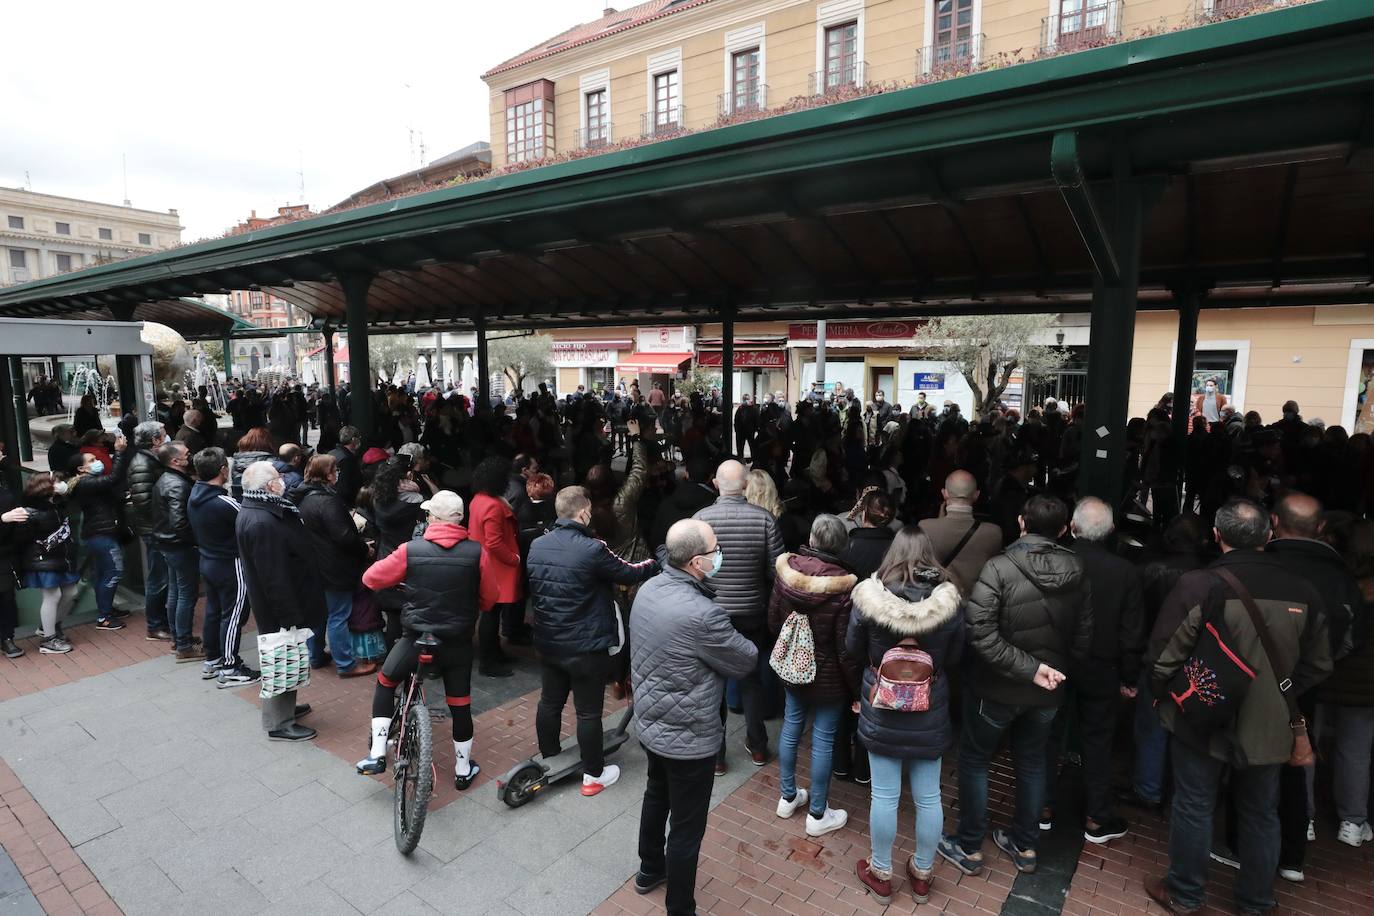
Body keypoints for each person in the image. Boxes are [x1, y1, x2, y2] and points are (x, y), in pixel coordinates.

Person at [1146, 498, 1332, 916]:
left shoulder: (1199, 585)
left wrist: (1174, 693)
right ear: (1269, 536)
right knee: (1261, 812)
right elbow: (1320, 663)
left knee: (1194, 804)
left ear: (1217, 535)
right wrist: (1278, 689)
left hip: (1203, 714)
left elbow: (1162, 657)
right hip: (1271, 723)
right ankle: (1256, 902)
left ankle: (1185, 893)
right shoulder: (1304, 591)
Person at [941, 494, 1091, 877]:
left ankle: (969, 845)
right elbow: (1083, 637)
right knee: (1033, 761)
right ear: (1063, 529)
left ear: (1021, 522)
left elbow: (980, 633)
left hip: (996, 687)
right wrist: (1050, 670)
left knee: (975, 761)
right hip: (1047, 690)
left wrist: (1029, 669)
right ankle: (1024, 845)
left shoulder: (998, 567)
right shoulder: (1078, 569)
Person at [630, 519, 758, 916]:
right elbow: (746, 658)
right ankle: (680, 907)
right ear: (698, 562)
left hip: (651, 723)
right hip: (689, 736)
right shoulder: (704, 615)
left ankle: (649, 868)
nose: (721, 555)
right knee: (687, 827)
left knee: (656, 794)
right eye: (716, 549)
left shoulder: (648, 588)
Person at [848, 527, 964, 906]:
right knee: (929, 797)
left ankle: (881, 872)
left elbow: (852, 647)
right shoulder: (948, 602)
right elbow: (958, 656)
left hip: (881, 705)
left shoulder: (870, 598)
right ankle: (923, 873)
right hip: (930, 706)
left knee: (884, 795)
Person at [526, 486, 659, 795]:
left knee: (550, 701)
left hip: (548, 640)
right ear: (584, 513)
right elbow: (628, 572)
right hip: (585, 645)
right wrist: (655, 562)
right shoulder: (593, 548)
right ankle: (593, 775)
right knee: (588, 712)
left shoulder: (537, 545)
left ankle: (550, 756)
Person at [357, 491, 484, 788]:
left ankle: (377, 753)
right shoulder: (478, 552)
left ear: (433, 519)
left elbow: (371, 579)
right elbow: (489, 596)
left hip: (416, 639)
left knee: (386, 681)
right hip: (456, 642)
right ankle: (463, 769)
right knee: (461, 703)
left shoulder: (410, 550)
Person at [1265, 491, 1360, 878]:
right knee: (1296, 760)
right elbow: (1349, 641)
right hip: (1308, 687)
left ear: (1274, 522)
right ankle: (1292, 852)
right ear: (1321, 529)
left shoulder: (1258, 565)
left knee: (1250, 764)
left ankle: (1247, 847)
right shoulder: (1342, 580)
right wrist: (1305, 679)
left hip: (1256, 680)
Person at [1041, 497, 1143, 842]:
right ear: (1112, 531)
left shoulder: (1055, 560)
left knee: (1048, 734)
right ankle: (1097, 818)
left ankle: (1042, 806)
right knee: (1098, 741)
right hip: (1102, 666)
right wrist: (1130, 677)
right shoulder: (1125, 571)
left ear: (1071, 526)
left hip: (1054, 661)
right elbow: (1131, 631)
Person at [768, 514, 858, 837]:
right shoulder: (846, 585)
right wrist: (856, 689)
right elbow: (846, 647)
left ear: (813, 538)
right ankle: (818, 814)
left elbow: (774, 621)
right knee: (823, 738)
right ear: (841, 544)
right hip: (830, 678)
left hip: (793, 669)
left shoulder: (786, 571)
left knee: (791, 726)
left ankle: (787, 796)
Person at [694, 458, 785, 771]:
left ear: (716, 484)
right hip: (751, 613)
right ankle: (758, 746)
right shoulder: (764, 520)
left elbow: (694, 570)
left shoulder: (701, 520)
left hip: (712, 613)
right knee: (750, 679)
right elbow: (777, 572)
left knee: (712, 683)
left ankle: (716, 757)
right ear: (746, 484)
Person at [236, 461, 323, 742]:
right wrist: (289, 614)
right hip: (280, 606)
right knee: (280, 655)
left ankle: (286, 708)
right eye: (278, 477)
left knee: (287, 656)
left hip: (282, 602)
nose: (283, 480)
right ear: (270, 486)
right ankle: (279, 722)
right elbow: (274, 576)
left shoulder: (259, 509)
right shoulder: (262, 521)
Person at [293, 454, 376, 678]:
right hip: (333, 567)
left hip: (315, 565)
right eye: (334, 470)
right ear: (328, 474)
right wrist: (364, 548)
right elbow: (344, 537)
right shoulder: (326, 501)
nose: (337, 474)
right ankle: (346, 664)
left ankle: (316, 655)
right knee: (338, 615)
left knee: (319, 614)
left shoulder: (304, 496)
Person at [1317, 520, 1374, 848]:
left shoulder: (1338, 584)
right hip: (1365, 685)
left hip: (1326, 674)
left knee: (1305, 742)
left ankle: (1304, 816)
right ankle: (1352, 822)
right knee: (1355, 752)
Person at [186, 447, 257, 687]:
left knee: (214, 612)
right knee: (234, 615)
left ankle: (213, 658)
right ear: (223, 470)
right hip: (230, 564)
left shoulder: (195, 495)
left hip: (208, 561)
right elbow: (250, 521)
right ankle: (229, 666)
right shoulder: (225, 503)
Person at [66, 433, 132, 630]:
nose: (97, 462)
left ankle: (107, 609)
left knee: (102, 573)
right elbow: (113, 479)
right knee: (113, 572)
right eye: (92, 461)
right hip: (101, 534)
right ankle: (104, 617)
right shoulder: (85, 483)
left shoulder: (87, 483)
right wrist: (119, 454)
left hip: (99, 532)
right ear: (81, 469)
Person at [469, 456, 525, 675]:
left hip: (487, 564)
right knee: (492, 614)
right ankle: (488, 661)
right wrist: (514, 559)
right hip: (496, 567)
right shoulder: (493, 505)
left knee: (491, 613)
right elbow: (494, 542)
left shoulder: (479, 499)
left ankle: (494, 654)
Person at [17, 473, 80, 654]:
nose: (61, 485)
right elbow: (22, 541)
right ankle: (49, 639)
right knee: (52, 596)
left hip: (61, 557)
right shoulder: (29, 513)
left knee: (71, 592)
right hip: (43, 560)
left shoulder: (58, 505)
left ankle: (50, 627)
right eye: (57, 482)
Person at [152, 441, 202, 662]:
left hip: (169, 545)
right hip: (179, 547)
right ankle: (183, 644)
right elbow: (179, 522)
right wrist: (195, 542)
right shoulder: (176, 484)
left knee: (176, 592)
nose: (189, 455)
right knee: (185, 595)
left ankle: (179, 639)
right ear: (175, 460)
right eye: (186, 454)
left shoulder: (168, 479)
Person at [918, 470, 1003, 597]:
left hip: (940, 607)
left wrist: (939, 521)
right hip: (976, 605)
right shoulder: (994, 532)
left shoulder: (925, 527)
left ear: (944, 494)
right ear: (976, 495)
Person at [127, 420, 171, 640]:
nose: (166, 437)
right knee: (159, 578)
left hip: (158, 528)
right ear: (155, 440)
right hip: (155, 530)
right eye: (163, 435)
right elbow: (144, 502)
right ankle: (155, 625)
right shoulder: (143, 464)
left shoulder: (150, 460)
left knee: (163, 576)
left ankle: (162, 620)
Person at [329, 425, 363, 506]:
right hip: (345, 503)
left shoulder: (332, 453)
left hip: (332, 497)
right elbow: (345, 488)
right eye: (359, 437)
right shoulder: (348, 459)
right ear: (354, 439)